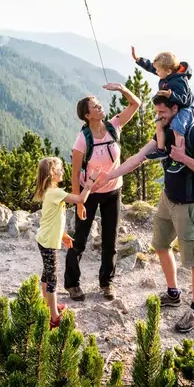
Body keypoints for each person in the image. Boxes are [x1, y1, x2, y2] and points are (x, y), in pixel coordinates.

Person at [96, 92, 194, 332]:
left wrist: (183, 157)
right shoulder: (165, 130)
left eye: (162, 112)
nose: (159, 117)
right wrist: (110, 176)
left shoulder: (193, 132)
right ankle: (173, 293)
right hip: (168, 199)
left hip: (189, 203)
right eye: (157, 112)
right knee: (161, 245)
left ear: (175, 108)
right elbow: (138, 157)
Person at [64, 83, 142, 301]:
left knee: (111, 240)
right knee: (79, 240)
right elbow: (74, 173)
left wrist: (122, 89)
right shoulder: (82, 139)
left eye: (99, 105)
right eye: (95, 107)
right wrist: (78, 201)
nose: (100, 108)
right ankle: (72, 284)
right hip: (88, 194)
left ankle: (107, 282)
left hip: (113, 191)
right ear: (88, 115)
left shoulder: (114, 126)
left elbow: (136, 104)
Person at [34, 156, 97, 328]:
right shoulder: (56, 193)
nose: (63, 171)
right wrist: (91, 181)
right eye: (60, 169)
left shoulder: (50, 191)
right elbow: (81, 199)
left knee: (47, 274)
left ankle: (48, 306)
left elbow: (53, 219)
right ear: (52, 173)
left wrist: (63, 236)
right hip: (48, 242)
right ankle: (54, 317)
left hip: (45, 239)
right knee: (52, 278)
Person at [132, 47, 194, 161]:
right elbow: (151, 67)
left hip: (185, 108)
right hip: (172, 107)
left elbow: (185, 100)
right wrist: (138, 59)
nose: (156, 72)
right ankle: (161, 151)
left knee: (177, 126)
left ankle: (180, 157)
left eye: (158, 70)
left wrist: (171, 96)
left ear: (168, 71)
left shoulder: (179, 81)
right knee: (158, 124)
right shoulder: (167, 74)